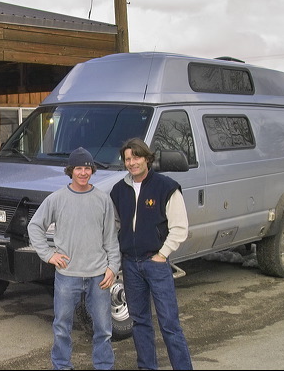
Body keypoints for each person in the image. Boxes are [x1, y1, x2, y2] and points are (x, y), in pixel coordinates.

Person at [28, 147, 121, 370]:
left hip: (99, 275)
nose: (83, 172)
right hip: (67, 276)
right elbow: (34, 226)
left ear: (92, 170)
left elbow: (110, 238)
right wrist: (49, 255)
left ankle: (104, 366)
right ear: (70, 171)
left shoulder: (102, 200)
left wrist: (113, 267)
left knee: (104, 329)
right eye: (78, 168)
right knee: (62, 327)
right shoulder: (57, 199)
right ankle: (61, 365)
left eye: (87, 168)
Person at [109, 138, 192, 370]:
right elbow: (115, 226)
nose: (132, 163)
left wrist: (162, 254)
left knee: (169, 324)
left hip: (155, 262)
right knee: (140, 323)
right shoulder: (118, 191)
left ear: (147, 158)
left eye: (136, 157)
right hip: (131, 266)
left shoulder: (166, 187)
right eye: (127, 159)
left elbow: (179, 227)